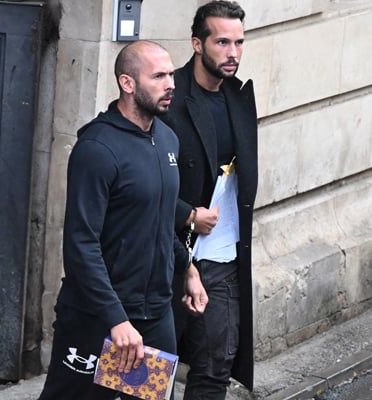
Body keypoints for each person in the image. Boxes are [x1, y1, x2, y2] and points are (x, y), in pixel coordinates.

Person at [37, 40, 208, 400]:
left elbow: (159, 221)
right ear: (127, 83)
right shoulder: (98, 149)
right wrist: (116, 319)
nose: (170, 84)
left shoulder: (166, 140)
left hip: (153, 314)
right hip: (97, 319)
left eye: (171, 74)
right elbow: (81, 245)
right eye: (158, 76)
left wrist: (188, 268)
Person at [160, 1, 259, 398]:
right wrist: (186, 216)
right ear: (197, 44)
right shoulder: (167, 97)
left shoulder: (238, 97)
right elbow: (139, 181)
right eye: (222, 42)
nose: (232, 52)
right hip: (162, 258)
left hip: (221, 259)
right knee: (147, 370)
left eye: (239, 42)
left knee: (216, 365)